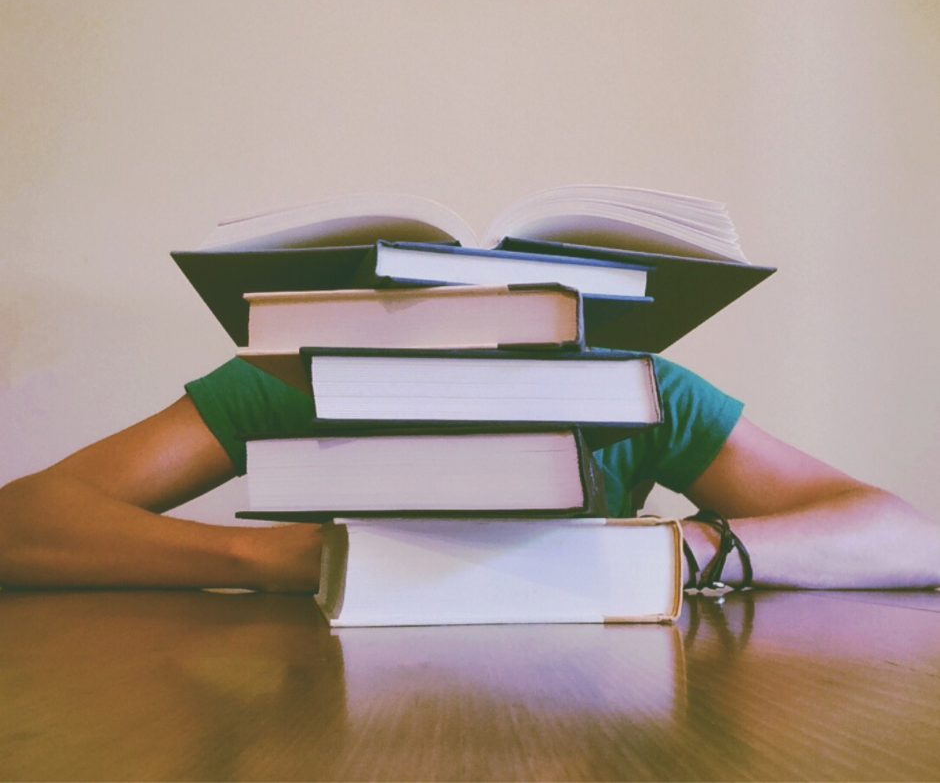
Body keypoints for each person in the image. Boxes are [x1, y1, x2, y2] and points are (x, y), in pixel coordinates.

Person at [1, 355, 938, 592]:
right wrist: (293, 561)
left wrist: (680, 550)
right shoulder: (301, 380)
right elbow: (21, 523)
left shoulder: (638, 391)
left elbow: (906, 536)